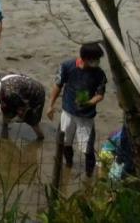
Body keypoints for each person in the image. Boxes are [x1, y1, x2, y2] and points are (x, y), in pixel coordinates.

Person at [47, 42, 108, 177]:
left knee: (87, 148)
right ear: (85, 58)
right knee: (64, 142)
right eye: (94, 59)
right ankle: (68, 165)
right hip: (68, 112)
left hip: (86, 116)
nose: (97, 62)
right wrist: (50, 105)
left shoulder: (99, 74)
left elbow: (100, 95)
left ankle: (88, 174)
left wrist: (89, 103)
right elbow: (58, 86)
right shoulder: (67, 66)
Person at [0, 74, 46, 140]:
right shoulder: (1, 85)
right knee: (5, 109)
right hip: (22, 89)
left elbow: (23, 108)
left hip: (36, 94)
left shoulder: (11, 95)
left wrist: (19, 118)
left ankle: (40, 137)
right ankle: (5, 124)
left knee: (31, 119)